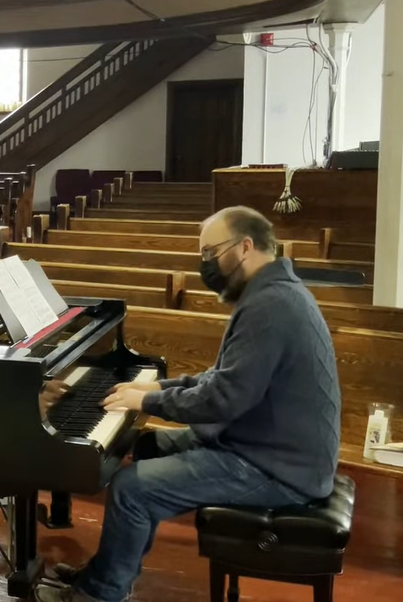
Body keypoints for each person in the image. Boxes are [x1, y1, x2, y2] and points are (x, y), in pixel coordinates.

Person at [36, 206, 341, 602]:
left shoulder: (271, 306)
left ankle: (99, 594)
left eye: (209, 253)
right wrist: (156, 387)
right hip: (270, 443)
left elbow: (224, 398)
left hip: (279, 467)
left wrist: (150, 398)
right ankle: (113, 571)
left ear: (245, 247)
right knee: (143, 447)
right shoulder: (273, 293)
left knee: (131, 488)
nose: (205, 264)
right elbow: (223, 378)